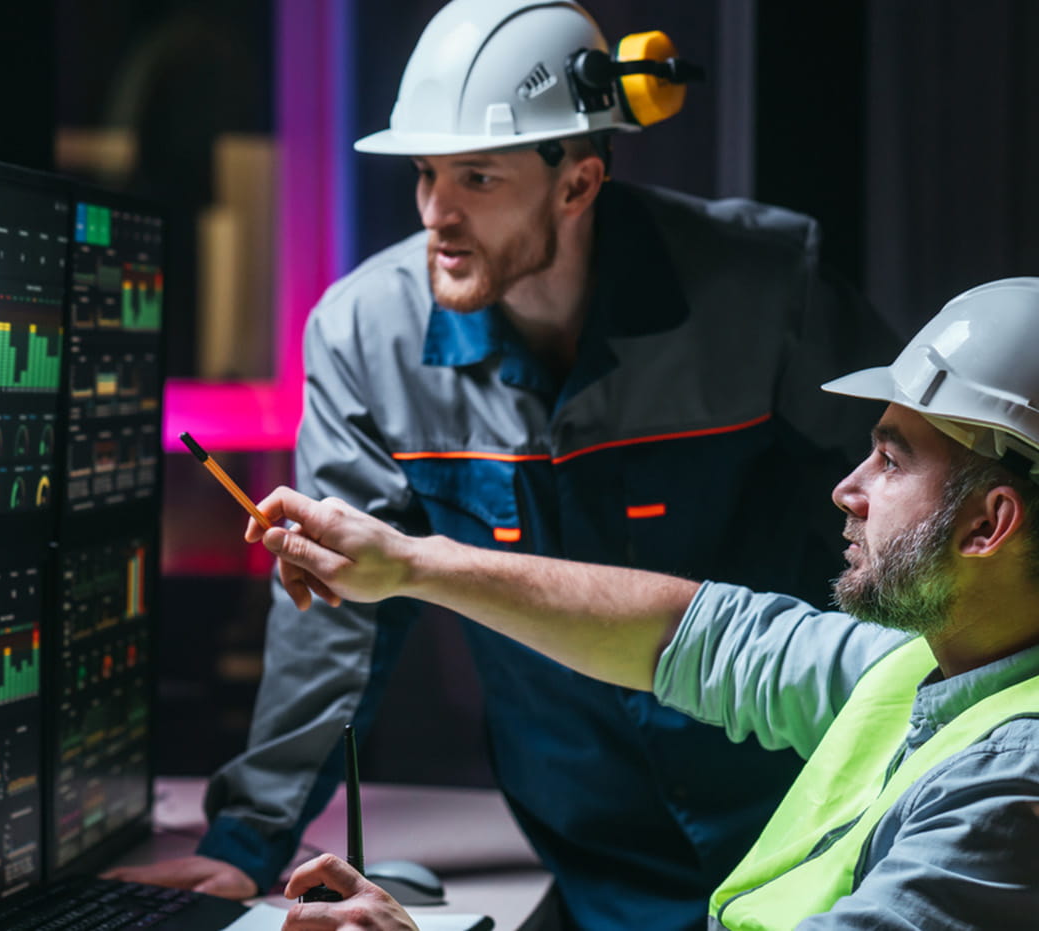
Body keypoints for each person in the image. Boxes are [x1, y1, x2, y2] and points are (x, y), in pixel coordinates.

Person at [112, 1, 896, 926]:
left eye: (477, 176)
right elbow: (334, 615)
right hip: (585, 842)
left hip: (808, 823)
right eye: (426, 172)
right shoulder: (367, 338)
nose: (436, 212)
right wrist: (246, 840)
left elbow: (908, 533)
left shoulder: (766, 291)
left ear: (578, 183)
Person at [254, 277, 1039, 928]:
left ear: (987, 523)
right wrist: (409, 564)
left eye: (891, 460)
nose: (849, 488)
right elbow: (693, 634)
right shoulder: (937, 664)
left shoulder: (1009, 791)